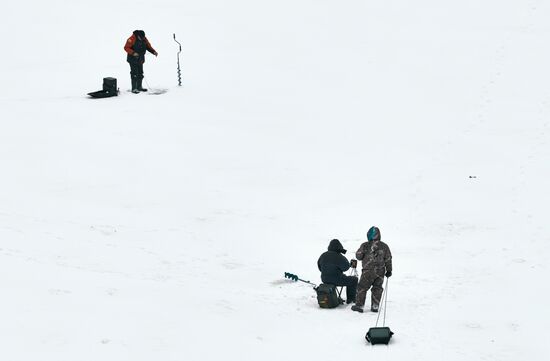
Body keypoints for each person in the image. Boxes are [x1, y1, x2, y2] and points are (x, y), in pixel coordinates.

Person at [351, 226, 392, 313]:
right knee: (377, 288)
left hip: (368, 271)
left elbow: (358, 256)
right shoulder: (385, 246)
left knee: (362, 287)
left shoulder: (365, 245)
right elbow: (388, 259)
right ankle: (375, 306)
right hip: (380, 272)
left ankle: (359, 305)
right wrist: (389, 270)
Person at [317, 239, 358, 304]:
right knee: (354, 280)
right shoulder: (339, 256)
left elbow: (319, 267)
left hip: (324, 279)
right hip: (336, 279)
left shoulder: (323, 255)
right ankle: (351, 300)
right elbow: (346, 267)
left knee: (345, 278)